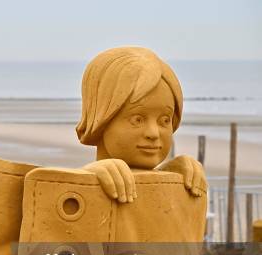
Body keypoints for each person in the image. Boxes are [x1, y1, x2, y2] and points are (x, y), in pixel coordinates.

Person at [77, 47, 207, 202]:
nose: (153, 133)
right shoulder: (82, 182)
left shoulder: (178, 178)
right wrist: (84, 180)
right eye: (137, 119)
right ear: (100, 119)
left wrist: (172, 177)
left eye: (165, 120)